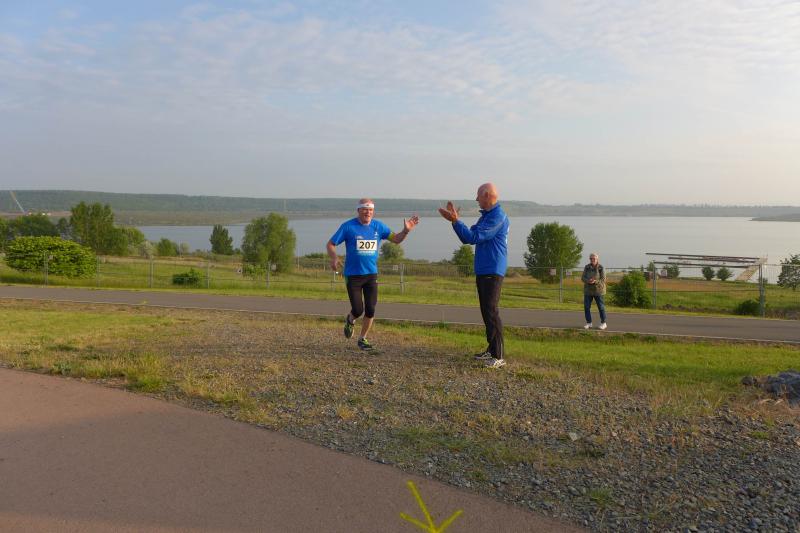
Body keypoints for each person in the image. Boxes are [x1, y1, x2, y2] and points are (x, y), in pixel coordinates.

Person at [327, 199, 419, 351]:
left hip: (371, 274)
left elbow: (396, 239)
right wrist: (334, 257)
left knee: (371, 309)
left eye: (370, 210)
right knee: (358, 310)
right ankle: (350, 319)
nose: (368, 212)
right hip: (353, 275)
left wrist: (405, 231)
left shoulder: (378, 226)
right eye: (365, 209)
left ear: (373, 212)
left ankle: (362, 339)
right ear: (358, 210)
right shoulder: (348, 226)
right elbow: (331, 244)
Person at [438, 183, 509, 369]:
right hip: (484, 269)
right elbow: (468, 236)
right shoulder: (486, 216)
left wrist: (456, 221)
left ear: (487, 195)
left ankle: (499, 356)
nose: (476, 199)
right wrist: (455, 222)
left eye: (478, 196)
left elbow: (473, 238)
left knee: (491, 311)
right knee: (486, 311)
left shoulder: (497, 216)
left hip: (493, 269)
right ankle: (491, 350)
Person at [581, 252, 607, 330]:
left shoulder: (601, 267)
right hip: (588, 291)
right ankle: (589, 323)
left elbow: (603, 279)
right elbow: (583, 278)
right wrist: (588, 281)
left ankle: (603, 323)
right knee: (586, 307)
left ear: (597, 259)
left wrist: (595, 281)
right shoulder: (587, 267)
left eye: (594, 258)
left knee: (601, 307)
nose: (592, 260)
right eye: (591, 258)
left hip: (598, 291)